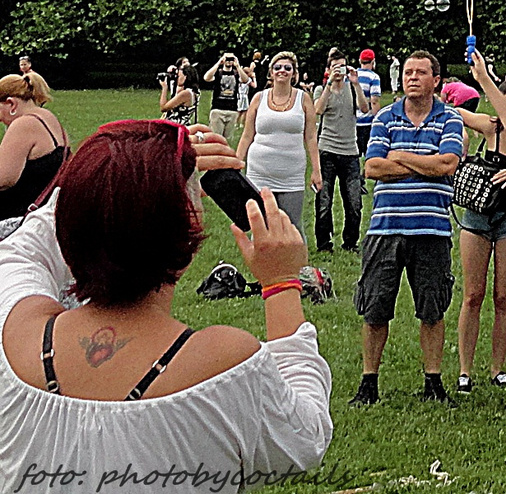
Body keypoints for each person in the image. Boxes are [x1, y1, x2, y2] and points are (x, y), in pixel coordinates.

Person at [0, 120, 332, 483]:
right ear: (188, 232)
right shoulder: (224, 365)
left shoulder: (14, 331)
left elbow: (25, 248)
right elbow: (305, 436)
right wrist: (281, 285)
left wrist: (113, 174)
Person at [351, 50, 465, 406]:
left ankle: (433, 381)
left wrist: (398, 157)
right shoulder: (385, 117)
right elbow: (372, 168)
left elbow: (447, 163)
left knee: (432, 309)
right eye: (407, 72)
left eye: (420, 72)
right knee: (375, 308)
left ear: (436, 80)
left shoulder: (450, 119)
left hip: (432, 230)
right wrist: (423, 164)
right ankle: (369, 382)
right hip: (385, 228)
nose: (411, 77)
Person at [455, 49, 506, 393]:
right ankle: (464, 370)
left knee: (503, 296)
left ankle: (497, 367)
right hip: (478, 215)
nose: (505, 111)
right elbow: (456, 113)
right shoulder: (491, 128)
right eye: (503, 103)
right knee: (473, 294)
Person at [237, 51, 320, 237]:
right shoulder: (258, 98)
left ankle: (297, 266)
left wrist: (316, 170)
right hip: (259, 173)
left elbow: (311, 137)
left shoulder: (303, 99)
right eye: (277, 68)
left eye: (287, 68)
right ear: (271, 73)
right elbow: (247, 135)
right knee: (260, 227)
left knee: (292, 227)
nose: (282, 71)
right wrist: (236, 163)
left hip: (291, 175)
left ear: (294, 74)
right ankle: (260, 265)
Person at [314, 49, 370, 252]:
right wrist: (330, 84)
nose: (340, 71)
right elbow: (317, 111)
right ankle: (324, 244)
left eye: (342, 66)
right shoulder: (322, 90)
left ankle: (350, 242)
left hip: (350, 151)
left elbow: (365, 110)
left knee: (354, 202)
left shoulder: (352, 88)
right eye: (335, 67)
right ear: (328, 70)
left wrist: (356, 83)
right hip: (327, 150)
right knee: (323, 202)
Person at [0, 73, 68, 229]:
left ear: (11, 104)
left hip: (19, 220)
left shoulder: (24, 124)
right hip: (45, 212)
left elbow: (4, 179)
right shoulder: (48, 118)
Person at [203, 51, 252, 149]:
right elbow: (206, 78)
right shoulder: (218, 73)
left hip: (232, 110)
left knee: (227, 141)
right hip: (218, 109)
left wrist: (238, 66)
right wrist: (218, 63)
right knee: (215, 139)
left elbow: (246, 80)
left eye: (231, 59)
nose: (229, 61)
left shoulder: (236, 74)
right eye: (227, 59)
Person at [356, 49, 382, 158]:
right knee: (369, 153)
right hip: (367, 122)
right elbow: (374, 101)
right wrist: (377, 119)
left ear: (360, 61)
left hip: (352, 122)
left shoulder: (351, 75)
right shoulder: (374, 77)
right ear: (373, 61)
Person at [158, 59, 198, 127]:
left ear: (185, 77)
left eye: (179, 76)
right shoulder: (193, 91)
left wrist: (164, 88)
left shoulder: (185, 94)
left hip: (176, 127)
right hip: (183, 125)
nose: (177, 78)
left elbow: (163, 108)